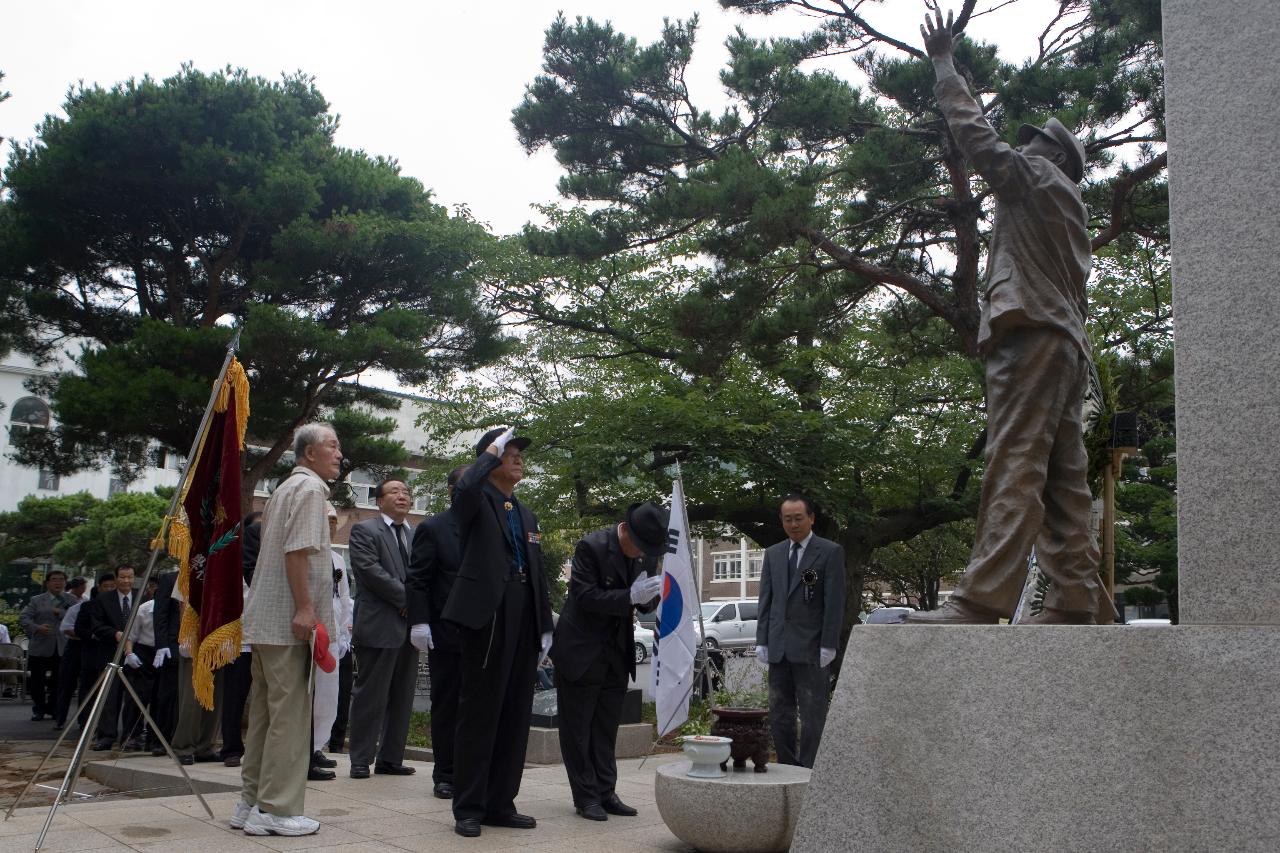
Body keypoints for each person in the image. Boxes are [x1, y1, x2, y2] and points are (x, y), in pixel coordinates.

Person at [908, 9, 1100, 625]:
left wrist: (944, 67)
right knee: (1064, 479)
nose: (1023, 147)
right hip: (1064, 344)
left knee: (1014, 460)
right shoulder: (1070, 212)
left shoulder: (1037, 179)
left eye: (1034, 142)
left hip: (1031, 338)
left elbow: (978, 138)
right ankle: (1074, 598)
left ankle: (980, 598)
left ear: (1050, 156)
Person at [443, 427, 554, 838]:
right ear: (490, 460)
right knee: (480, 713)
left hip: (523, 612)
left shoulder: (524, 512)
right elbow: (467, 484)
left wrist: (545, 624)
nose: (519, 458)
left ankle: (500, 802)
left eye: (520, 453)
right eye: (510, 452)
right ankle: (469, 806)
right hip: (487, 616)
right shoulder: (476, 499)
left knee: (514, 713)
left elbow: (538, 570)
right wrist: (489, 449)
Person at [231, 422, 339, 837]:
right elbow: (298, 554)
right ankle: (276, 810)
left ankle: (251, 802)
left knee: (264, 715)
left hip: (266, 620)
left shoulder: (283, 489)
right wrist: (307, 608)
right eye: (332, 446)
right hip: (288, 622)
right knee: (290, 718)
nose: (339, 453)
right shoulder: (310, 491)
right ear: (309, 453)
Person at [550, 503, 666, 821]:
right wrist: (629, 596)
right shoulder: (592, 546)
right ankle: (585, 796)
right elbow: (584, 597)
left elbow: (645, 604)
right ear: (624, 528)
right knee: (578, 729)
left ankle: (606, 791)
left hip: (617, 650)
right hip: (581, 649)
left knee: (605, 728)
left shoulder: (646, 551)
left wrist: (652, 596)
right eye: (638, 546)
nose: (640, 553)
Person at [755, 495, 845, 769]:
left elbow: (834, 602)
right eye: (787, 519)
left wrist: (829, 644)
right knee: (779, 712)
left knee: (812, 714)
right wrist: (763, 640)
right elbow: (766, 601)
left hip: (812, 649)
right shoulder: (774, 553)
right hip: (778, 647)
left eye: (798, 518)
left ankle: (807, 769)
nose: (793, 524)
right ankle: (785, 766)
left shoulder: (829, 552)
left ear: (811, 518)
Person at [346, 477, 418, 780]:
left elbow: (423, 573)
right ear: (379, 501)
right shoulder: (365, 530)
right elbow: (369, 571)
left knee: (403, 696)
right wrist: (407, 599)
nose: (402, 496)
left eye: (405, 492)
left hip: (409, 627)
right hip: (378, 624)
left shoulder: (414, 534)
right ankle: (361, 759)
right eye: (394, 492)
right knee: (371, 695)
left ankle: (390, 757)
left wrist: (416, 605)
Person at [407, 465, 468, 799]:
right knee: (447, 703)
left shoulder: (491, 526)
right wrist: (420, 621)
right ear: (451, 490)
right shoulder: (434, 528)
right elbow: (418, 578)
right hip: (447, 631)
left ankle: (473, 771)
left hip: (486, 633)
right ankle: (445, 773)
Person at [310, 504, 353, 780]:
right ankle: (302, 749)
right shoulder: (308, 553)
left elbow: (345, 598)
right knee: (308, 695)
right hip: (312, 633)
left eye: (334, 522)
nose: (331, 526)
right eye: (326, 520)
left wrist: (345, 633)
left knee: (328, 696)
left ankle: (316, 746)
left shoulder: (337, 559)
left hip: (334, 635)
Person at [89, 564, 137, 749]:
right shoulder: (103, 599)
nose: (126, 581)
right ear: (116, 579)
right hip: (110, 652)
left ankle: (130, 737)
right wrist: (115, 634)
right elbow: (96, 625)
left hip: (135, 655)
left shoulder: (143, 597)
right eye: (123, 577)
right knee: (110, 697)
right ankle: (106, 736)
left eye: (130, 577)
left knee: (133, 698)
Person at [19, 570, 77, 722]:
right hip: (40, 646)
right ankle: (38, 709)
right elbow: (24, 618)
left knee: (59, 681)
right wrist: (37, 628)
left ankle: (53, 709)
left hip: (63, 647)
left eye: (61, 579)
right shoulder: (36, 600)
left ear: (65, 582)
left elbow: (79, 618)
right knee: (37, 681)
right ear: (47, 582)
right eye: (54, 579)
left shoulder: (72, 600)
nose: (57, 582)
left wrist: (62, 613)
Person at [121, 582, 160, 751]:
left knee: (160, 699)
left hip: (164, 654)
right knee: (137, 698)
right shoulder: (144, 609)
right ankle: (131, 735)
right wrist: (129, 653)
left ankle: (154, 739)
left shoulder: (176, 608)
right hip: (144, 653)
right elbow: (131, 635)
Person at [74, 576, 115, 730]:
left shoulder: (117, 605)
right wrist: (93, 635)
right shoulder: (88, 606)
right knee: (88, 688)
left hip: (110, 653)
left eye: (112, 586)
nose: (109, 589)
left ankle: (105, 724)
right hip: (91, 653)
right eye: (106, 586)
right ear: (99, 588)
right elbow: (79, 629)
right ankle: (84, 721)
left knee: (108, 692)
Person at [148, 571, 180, 755]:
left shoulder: (208, 574)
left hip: (198, 644)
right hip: (172, 644)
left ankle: (183, 738)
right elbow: (160, 613)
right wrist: (162, 644)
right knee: (167, 694)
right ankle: (160, 739)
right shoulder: (170, 579)